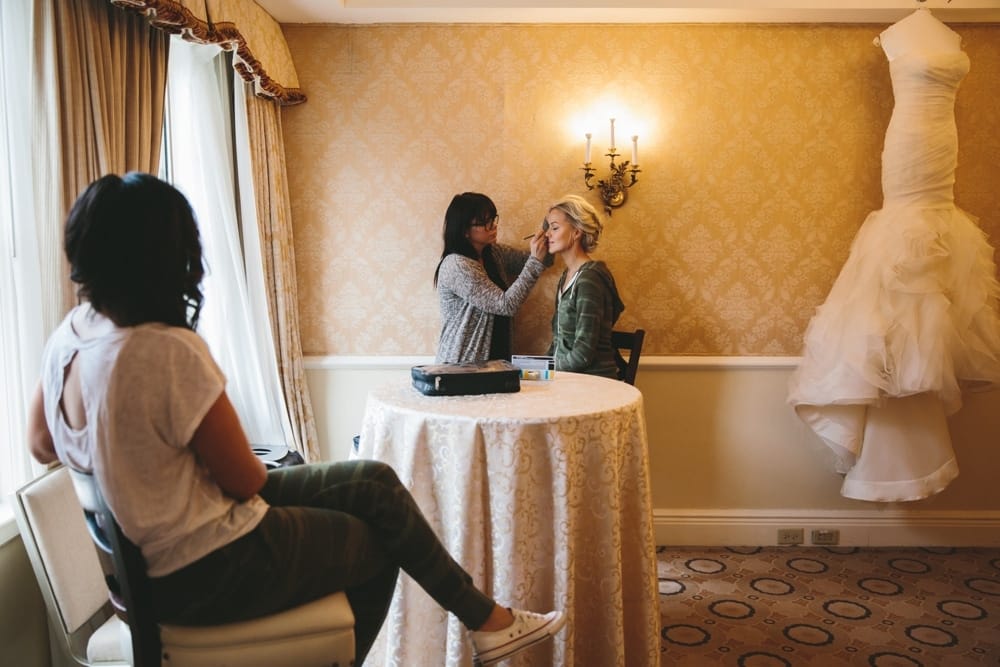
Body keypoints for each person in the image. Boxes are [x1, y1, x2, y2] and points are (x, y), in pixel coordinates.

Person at [26, 173, 565, 666]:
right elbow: (246, 481)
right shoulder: (165, 350)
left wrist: (141, 460)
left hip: (157, 562)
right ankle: (452, 629)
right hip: (208, 563)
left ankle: (487, 622)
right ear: (169, 256)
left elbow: (41, 443)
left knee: (373, 478)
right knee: (378, 539)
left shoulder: (69, 336)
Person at [788, 9, 1000, 502]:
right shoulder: (896, 36)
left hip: (941, 155)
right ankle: (891, 430)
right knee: (903, 274)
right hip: (907, 147)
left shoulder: (949, 31)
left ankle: (915, 393)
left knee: (932, 287)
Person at [434, 192, 550, 363]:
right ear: (465, 231)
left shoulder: (494, 253)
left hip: (497, 362)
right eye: (485, 223)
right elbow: (505, 305)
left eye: (493, 219)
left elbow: (540, 261)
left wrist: (549, 228)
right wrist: (535, 261)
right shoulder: (458, 265)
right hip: (462, 365)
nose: (493, 226)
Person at [544, 194, 625, 378]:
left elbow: (583, 353)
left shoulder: (589, 279)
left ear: (577, 231)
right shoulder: (567, 276)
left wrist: (547, 371)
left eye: (555, 227)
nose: (548, 233)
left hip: (592, 380)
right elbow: (558, 342)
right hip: (569, 379)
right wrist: (539, 369)